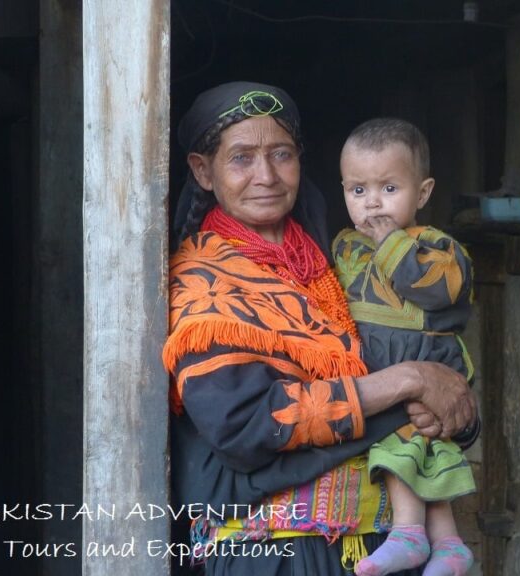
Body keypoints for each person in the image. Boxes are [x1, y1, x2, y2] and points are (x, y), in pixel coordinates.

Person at [164, 81, 479, 576]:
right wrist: (411, 382)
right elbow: (245, 425)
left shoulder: (336, 265)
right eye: (241, 158)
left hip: (385, 544)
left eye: (281, 154)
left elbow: (428, 364)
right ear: (203, 171)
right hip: (278, 553)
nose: (266, 175)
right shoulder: (202, 283)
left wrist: (448, 407)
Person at [332, 118, 477, 576]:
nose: (372, 202)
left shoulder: (438, 247)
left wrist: (390, 243)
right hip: (378, 366)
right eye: (358, 190)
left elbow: (444, 293)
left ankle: (412, 534)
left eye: (389, 188)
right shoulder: (343, 247)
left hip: (426, 361)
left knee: (417, 443)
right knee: (411, 449)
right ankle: (449, 545)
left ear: (424, 192)